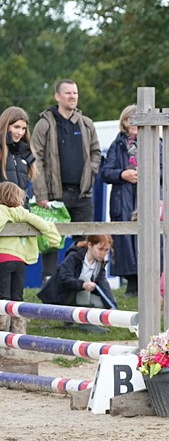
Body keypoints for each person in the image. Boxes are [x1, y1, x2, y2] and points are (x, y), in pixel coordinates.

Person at [30, 79, 102, 281]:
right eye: (68, 93)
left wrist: (90, 173)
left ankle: (79, 283)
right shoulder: (44, 124)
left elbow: (96, 152)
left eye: (75, 93)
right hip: (53, 195)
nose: (73, 96)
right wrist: (41, 193)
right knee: (51, 241)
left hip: (82, 194)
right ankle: (49, 284)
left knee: (84, 242)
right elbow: (35, 159)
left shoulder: (86, 123)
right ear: (57, 96)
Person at [0, 182, 62, 334]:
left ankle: (2, 330)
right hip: (20, 260)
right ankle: (19, 332)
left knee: (3, 296)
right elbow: (43, 224)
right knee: (17, 296)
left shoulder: (1, 211)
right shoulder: (22, 212)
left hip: (3, 259)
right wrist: (55, 239)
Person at [37, 234, 116, 333]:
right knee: (85, 279)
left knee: (100, 302)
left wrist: (112, 305)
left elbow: (104, 285)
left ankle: (73, 318)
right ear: (90, 245)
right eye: (100, 249)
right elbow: (64, 278)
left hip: (76, 295)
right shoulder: (74, 256)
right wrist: (82, 284)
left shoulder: (99, 263)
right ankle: (85, 323)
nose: (103, 253)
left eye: (106, 250)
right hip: (59, 296)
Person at [98, 105, 140, 294]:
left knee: (146, 238)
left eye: (138, 118)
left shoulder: (156, 142)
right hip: (122, 199)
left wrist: (144, 174)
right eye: (130, 119)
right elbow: (106, 172)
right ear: (124, 122)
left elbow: (164, 170)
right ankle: (131, 284)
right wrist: (123, 174)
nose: (134, 123)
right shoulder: (117, 144)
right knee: (124, 241)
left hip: (145, 197)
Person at [0, 106, 36, 196]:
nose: (20, 132)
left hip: (20, 204)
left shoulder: (25, 152)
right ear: (6, 125)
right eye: (16, 127)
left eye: (24, 128)